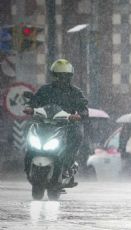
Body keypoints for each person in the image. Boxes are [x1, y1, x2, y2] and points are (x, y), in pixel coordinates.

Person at [23, 58, 88, 187]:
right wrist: (30, 108)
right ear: (54, 76)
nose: (62, 78)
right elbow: (34, 101)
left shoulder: (75, 92)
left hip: (67, 125)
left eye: (65, 76)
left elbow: (83, 107)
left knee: (78, 133)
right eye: (59, 75)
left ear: (70, 77)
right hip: (44, 123)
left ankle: (68, 164)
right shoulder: (45, 90)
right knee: (28, 127)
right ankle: (28, 160)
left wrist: (79, 115)